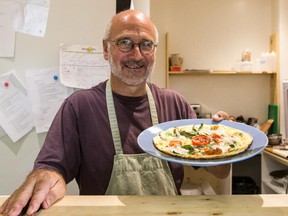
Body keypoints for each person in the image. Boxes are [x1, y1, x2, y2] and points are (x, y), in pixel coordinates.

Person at [0, 9, 230, 216]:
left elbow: (219, 172)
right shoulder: (80, 106)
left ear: (155, 51)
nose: (137, 55)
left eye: (146, 44)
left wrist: (224, 142)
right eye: (125, 42)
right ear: (106, 49)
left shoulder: (175, 104)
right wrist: (43, 179)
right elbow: (52, 170)